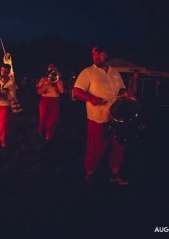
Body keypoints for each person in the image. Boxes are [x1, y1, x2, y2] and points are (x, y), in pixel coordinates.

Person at [73, 45, 129, 186]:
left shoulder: (115, 72)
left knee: (118, 146)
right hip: (98, 118)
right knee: (95, 148)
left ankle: (114, 175)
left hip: (117, 116)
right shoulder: (87, 72)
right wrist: (91, 98)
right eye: (94, 54)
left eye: (99, 54)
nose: (96, 56)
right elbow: (77, 91)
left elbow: (121, 87)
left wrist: (125, 92)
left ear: (106, 54)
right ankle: (89, 175)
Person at [36, 64, 64, 142]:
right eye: (50, 70)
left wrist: (57, 80)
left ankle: (49, 136)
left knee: (52, 119)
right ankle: (40, 133)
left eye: (53, 70)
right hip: (45, 100)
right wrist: (47, 84)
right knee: (43, 118)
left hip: (55, 101)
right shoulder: (43, 79)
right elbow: (39, 92)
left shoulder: (59, 80)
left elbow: (61, 91)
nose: (51, 72)